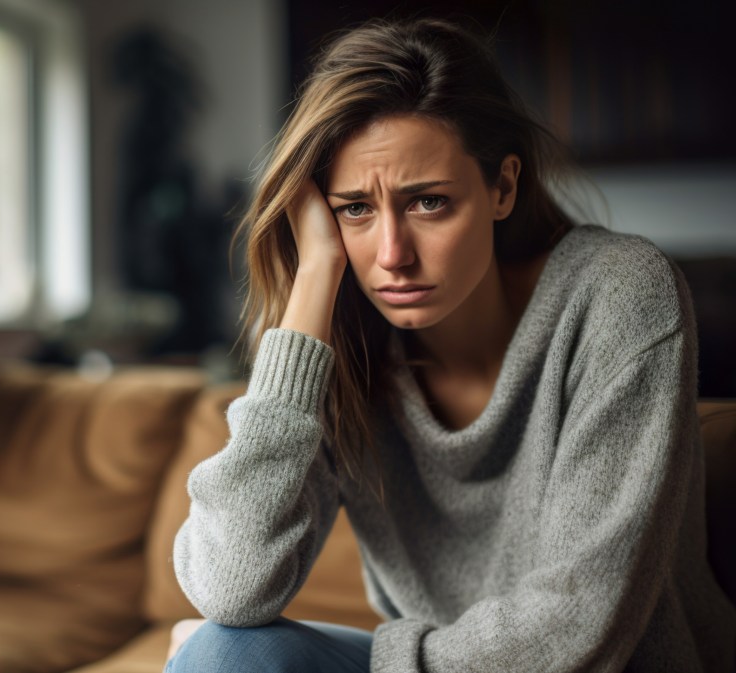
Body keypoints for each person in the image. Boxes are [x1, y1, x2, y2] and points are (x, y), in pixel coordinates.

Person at [166, 18, 736, 673]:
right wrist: (316, 273)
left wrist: (376, 663)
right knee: (223, 650)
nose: (392, 256)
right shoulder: (345, 345)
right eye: (355, 209)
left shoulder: (618, 293)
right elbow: (230, 588)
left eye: (429, 202)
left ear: (502, 187)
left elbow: (578, 624)